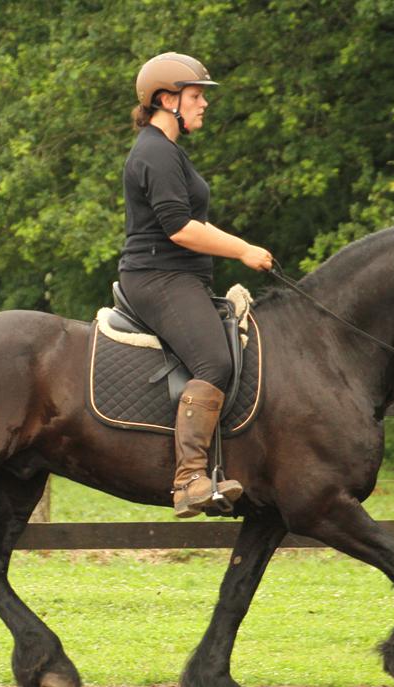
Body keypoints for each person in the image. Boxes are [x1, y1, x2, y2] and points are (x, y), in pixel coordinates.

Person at [118, 52, 274, 518]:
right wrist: (243, 249)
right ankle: (188, 478)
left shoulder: (168, 151)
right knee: (214, 360)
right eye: (196, 95)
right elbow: (180, 228)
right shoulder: (154, 152)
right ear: (167, 99)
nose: (204, 103)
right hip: (158, 277)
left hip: (176, 276)